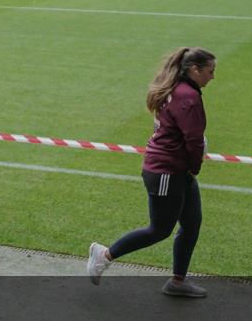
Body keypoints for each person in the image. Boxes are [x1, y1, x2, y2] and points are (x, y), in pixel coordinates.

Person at [87, 47, 216, 298]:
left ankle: (177, 282)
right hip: (167, 172)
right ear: (195, 69)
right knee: (159, 229)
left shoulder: (176, 87)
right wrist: (195, 165)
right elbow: (193, 139)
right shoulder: (188, 96)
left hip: (176, 170)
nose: (213, 77)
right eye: (210, 72)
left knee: (192, 224)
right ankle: (103, 256)